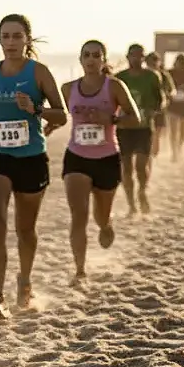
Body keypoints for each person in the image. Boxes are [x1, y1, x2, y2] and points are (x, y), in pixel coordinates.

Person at [0, 14, 67, 322]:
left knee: (25, 229)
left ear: (27, 39)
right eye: (5, 36)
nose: (10, 42)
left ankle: (24, 280)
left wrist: (35, 109)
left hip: (30, 157)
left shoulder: (39, 73)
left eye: (16, 36)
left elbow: (61, 115)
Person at [61, 40, 139, 284]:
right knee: (79, 215)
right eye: (86, 55)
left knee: (100, 216)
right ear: (80, 59)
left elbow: (135, 118)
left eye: (96, 55)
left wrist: (111, 119)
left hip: (106, 158)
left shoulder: (114, 86)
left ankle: (106, 226)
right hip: (76, 157)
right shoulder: (67, 88)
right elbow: (65, 116)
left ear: (104, 60)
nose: (91, 59)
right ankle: (80, 270)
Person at [114, 44, 165, 216]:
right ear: (127, 57)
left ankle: (142, 191)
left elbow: (161, 100)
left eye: (139, 56)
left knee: (141, 167)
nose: (136, 59)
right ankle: (131, 205)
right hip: (124, 128)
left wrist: (152, 111)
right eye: (133, 56)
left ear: (143, 58)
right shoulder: (119, 78)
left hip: (144, 127)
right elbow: (111, 101)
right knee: (126, 169)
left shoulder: (152, 77)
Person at [144, 52, 174, 158]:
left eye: (154, 62)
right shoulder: (142, 75)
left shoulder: (164, 75)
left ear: (159, 62)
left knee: (156, 135)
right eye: (149, 62)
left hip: (159, 109)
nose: (152, 64)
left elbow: (172, 90)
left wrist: (165, 95)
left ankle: (153, 157)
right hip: (144, 110)